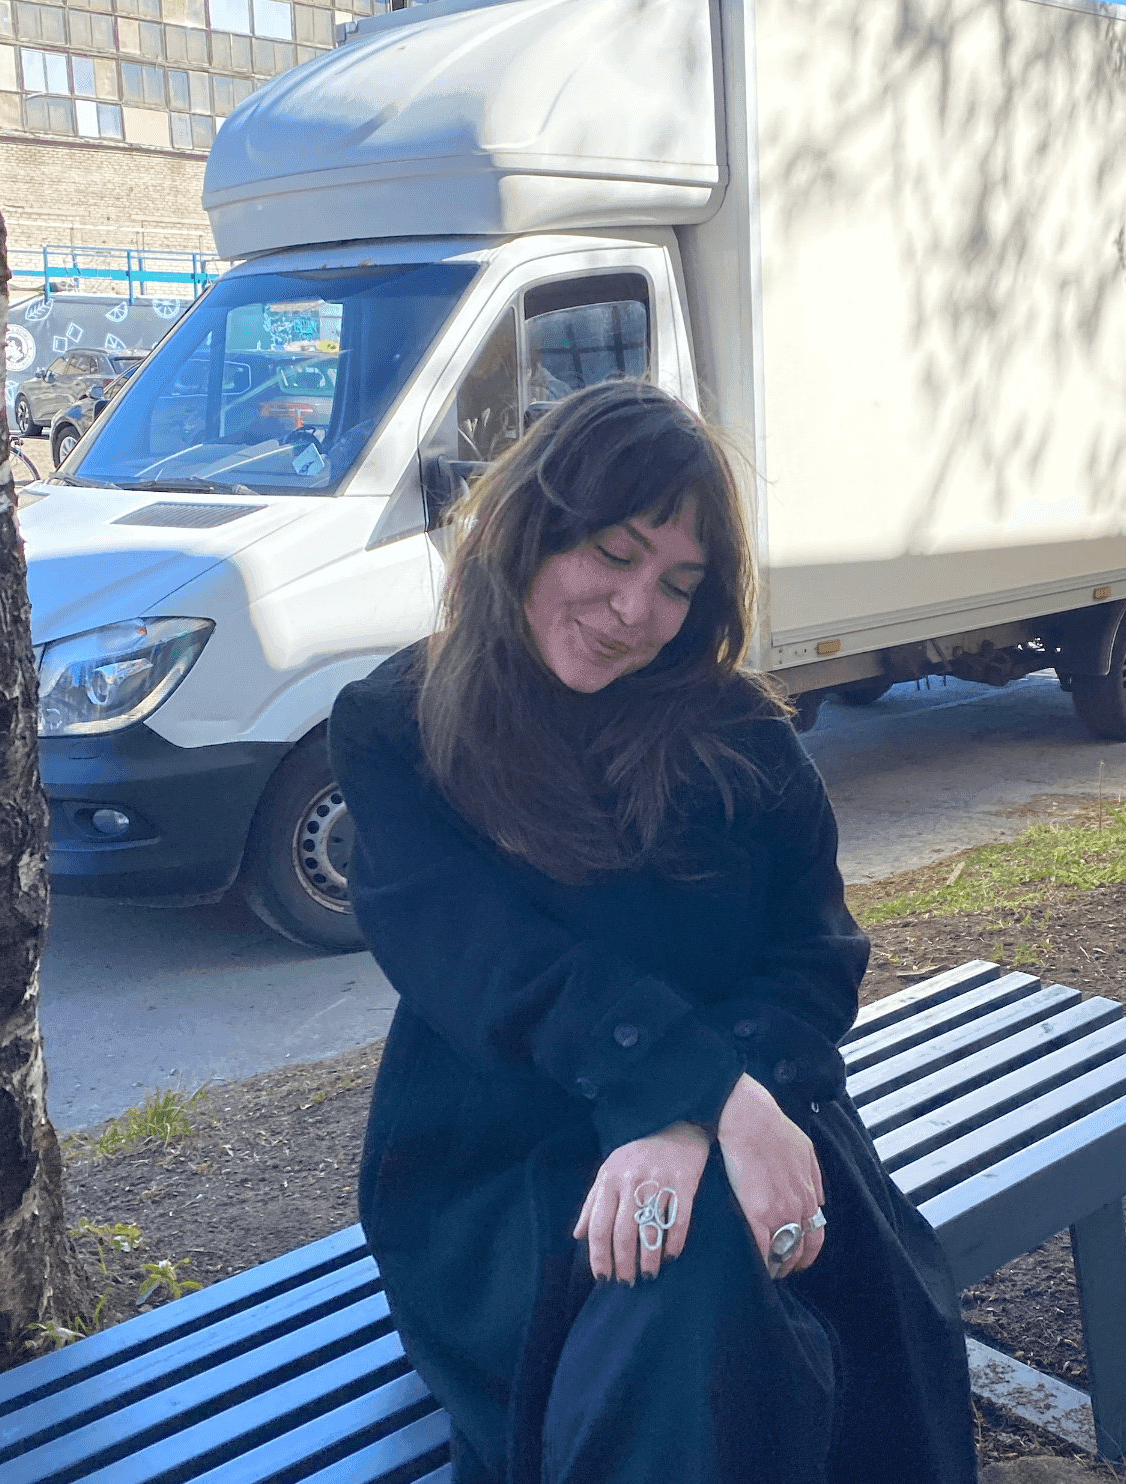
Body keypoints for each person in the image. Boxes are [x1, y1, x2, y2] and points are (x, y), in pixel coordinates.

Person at [328, 380, 977, 1484]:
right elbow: (494, 967)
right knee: (691, 1270)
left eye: (678, 583)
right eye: (614, 554)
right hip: (499, 1161)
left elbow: (815, 957)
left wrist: (703, 1113)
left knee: (803, 1290)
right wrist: (694, 1094)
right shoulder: (399, 726)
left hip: (750, 1097)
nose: (637, 610)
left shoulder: (740, 734)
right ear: (529, 531)